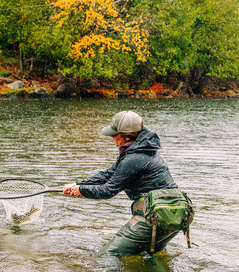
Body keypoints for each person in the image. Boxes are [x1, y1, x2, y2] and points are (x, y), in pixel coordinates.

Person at [63, 110, 181, 256]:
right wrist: (78, 184)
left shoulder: (133, 158)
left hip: (154, 216)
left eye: (114, 134)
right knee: (149, 255)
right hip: (174, 216)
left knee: (109, 254)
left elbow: (108, 190)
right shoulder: (144, 150)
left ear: (126, 136)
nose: (112, 137)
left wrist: (83, 190)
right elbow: (109, 174)